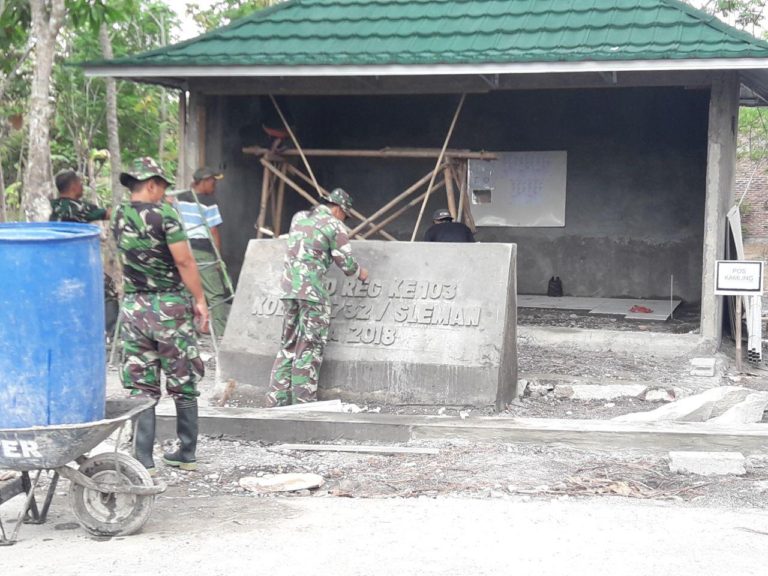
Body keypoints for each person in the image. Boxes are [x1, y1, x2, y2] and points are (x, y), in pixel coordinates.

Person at [112, 157, 209, 474]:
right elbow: (184, 262)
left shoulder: (118, 216)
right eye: (163, 187)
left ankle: (144, 460)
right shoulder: (165, 215)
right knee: (182, 380)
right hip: (169, 309)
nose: (164, 193)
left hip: (135, 309)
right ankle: (187, 452)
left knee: (142, 386)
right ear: (151, 184)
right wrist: (200, 300)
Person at [267, 188, 368, 407]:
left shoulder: (299, 218)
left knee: (288, 344)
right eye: (345, 214)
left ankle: (276, 399)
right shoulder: (334, 225)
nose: (345, 218)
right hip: (312, 293)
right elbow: (346, 264)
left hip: (288, 289)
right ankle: (303, 402)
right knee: (309, 346)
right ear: (338, 209)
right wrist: (361, 272)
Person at [50, 169, 118, 335]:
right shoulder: (79, 208)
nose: (82, 187)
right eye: (80, 183)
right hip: (77, 262)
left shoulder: (54, 206)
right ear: (73, 186)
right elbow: (110, 214)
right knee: (107, 291)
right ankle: (112, 333)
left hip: (54, 263)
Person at [175, 167, 231, 338]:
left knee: (185, 290)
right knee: (216, 294)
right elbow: (213, 231)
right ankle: (221, 334)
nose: (214, 186)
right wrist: (217, 259)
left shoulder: (179, 199)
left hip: (183, 249)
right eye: (212, 182)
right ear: (204, 182)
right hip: (202, 250)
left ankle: (185, 332)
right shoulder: (209, 203)